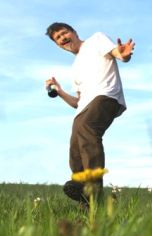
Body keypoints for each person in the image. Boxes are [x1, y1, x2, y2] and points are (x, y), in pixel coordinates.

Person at [45, 22, 135, 205]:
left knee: (87, 129)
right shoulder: (75, 67)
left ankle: (93, 189)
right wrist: (60, 92)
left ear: (74, 32)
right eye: (58, 39)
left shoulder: (96, 39)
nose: (63, 38)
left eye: (64, 33)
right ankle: (85, 201)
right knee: (76, 149)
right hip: (84, 108)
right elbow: (77, 102)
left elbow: (118, 54)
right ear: (57, 45)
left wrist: (123, 55)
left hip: (105, 96)